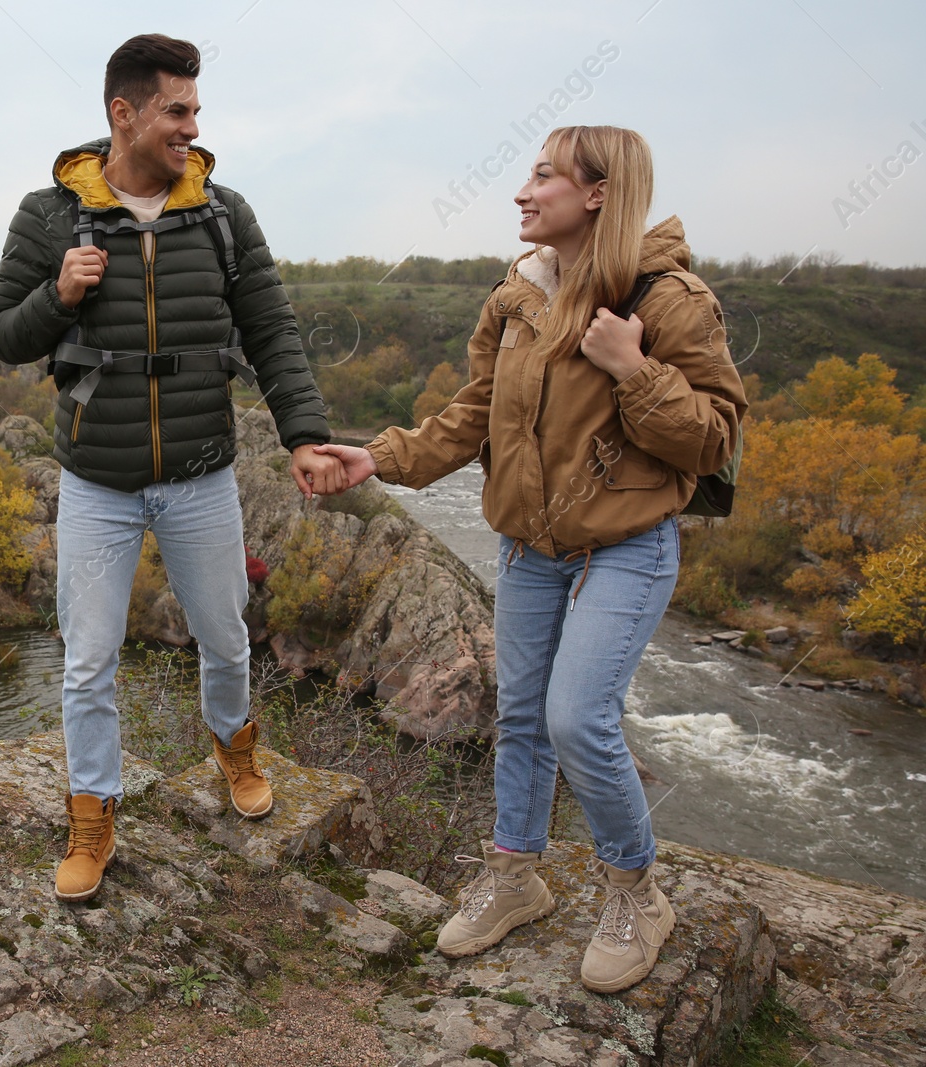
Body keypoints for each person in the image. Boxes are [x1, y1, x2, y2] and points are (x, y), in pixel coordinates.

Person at [315, 125, 747, 993]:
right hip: (528, 547)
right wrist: (382, 457)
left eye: (544, 176)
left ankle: (637, 890)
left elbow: (714, 437)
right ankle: (516, 876)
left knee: (575, 718)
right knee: (519, 716)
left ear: (597, 194)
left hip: (625, 547)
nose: (523, 190)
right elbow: (474, 411)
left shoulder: (666, 299)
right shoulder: (518, 294)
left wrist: (633, 371)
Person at [0, 33, 344, 903]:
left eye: (194, 110)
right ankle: (91, 819)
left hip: (201, 470)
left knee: (225, 635)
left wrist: (304, 434)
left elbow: (272, 332)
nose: (191, 126)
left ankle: (234, 747)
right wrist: (56, 294)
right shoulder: (48, 215)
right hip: (95, 479)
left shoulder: (223, 212)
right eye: (176, 110)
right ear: (125, 112)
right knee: (88, 659)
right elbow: (1, 335)